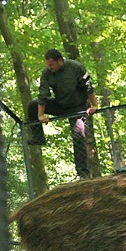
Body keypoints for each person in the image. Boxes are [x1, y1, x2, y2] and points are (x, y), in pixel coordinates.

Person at [27, 48, 98, 179]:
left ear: (60, 61)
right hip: (61, 104)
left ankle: (83, 173)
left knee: (78, 136)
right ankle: (38, 137)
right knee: (32, 105)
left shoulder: (75, 67)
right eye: (48, 65)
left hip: (77, 107)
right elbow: (43, 94)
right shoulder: (47, 73)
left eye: (52, 65)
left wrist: (94, 105)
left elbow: (88, 87)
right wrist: (41, 115)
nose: (50, 67)